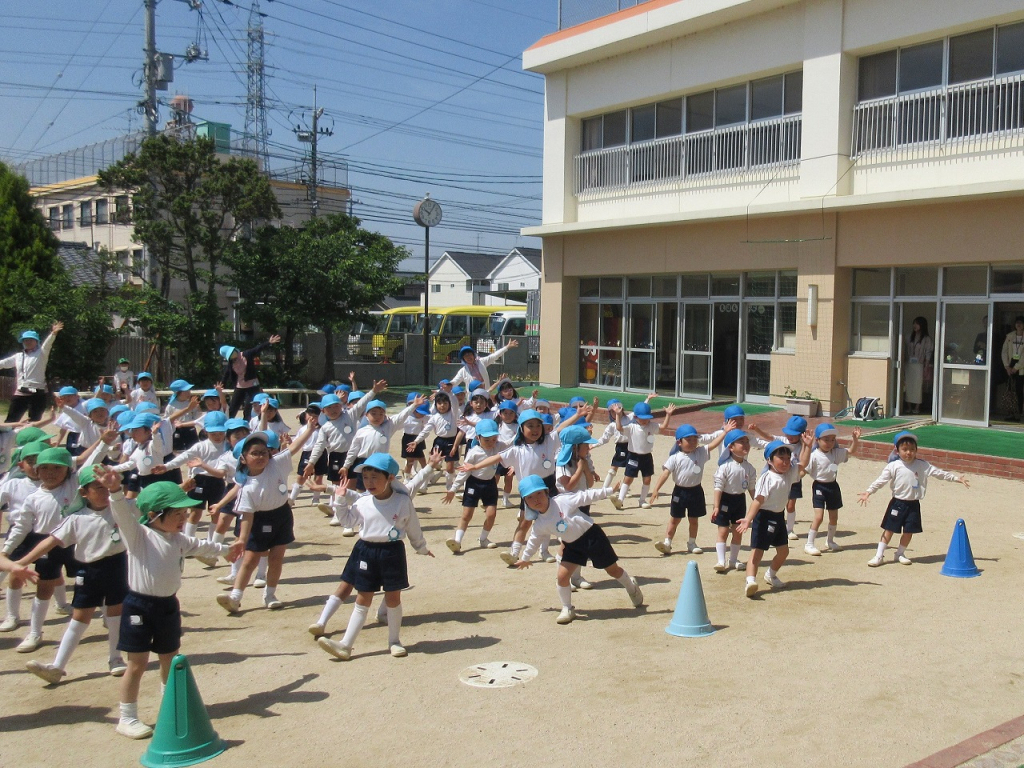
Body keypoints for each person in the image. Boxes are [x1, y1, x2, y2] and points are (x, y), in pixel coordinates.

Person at [91, 468, 243, 739]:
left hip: (168, 606)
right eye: (177, 514)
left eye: (185, 514)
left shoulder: (178, 538)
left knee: (169, 660)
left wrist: (227, 550)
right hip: (139, 606)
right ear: (154, 516)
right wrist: (115, 491)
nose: (184, 519)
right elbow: (123, 515)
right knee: (136, 664)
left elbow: (201, 545)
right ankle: (127, 717)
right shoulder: (138, 536)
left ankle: (169, 707)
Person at [17, 465, 128, 683]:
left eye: (108, 487)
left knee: (115, 612)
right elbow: (50, 541)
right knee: (80, 616)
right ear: (84, 492)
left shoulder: (122, 508)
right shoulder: (76, 518)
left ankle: (115, 658)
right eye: (99, 488)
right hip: (88, 570)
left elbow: (151, 504)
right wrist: (22, 563)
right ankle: (57, 666)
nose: (105, 492)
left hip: (117, 565)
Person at [316, 453, 433, 661]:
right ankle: (345, 644)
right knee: (363, 599)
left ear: (389, 478)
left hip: (392, 552)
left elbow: (413, 525)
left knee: (393, 598)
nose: (368, 482)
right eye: (366, 477)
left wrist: (421, 547)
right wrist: (341, 500)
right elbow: (347, 522)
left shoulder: (402, 501)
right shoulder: (363, 501)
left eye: (374, 477)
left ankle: (394, 641)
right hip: (366, 551)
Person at [513, 475, 643, 625]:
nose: (536, 499)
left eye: (539, 494)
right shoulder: (540, 523)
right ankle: (567, 608)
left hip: (592, 537)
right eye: (529, 497)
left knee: (613, 570)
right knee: (562, 577)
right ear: (525, 502)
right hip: (572, 545)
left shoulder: (562, 501)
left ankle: (631, 586)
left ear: (547, 492)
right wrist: (525, 557)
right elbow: (534, 540)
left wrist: (609, 490)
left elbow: (585, 496)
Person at [215, 423, 315, 614]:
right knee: (250, 560)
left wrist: (309, 429)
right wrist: (242, 539)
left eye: (264, 452)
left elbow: (294, 448)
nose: (261, 457)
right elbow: (247, 515)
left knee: (276, 558)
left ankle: (270, 595)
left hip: (282, 515)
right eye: (255, 453)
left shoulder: (276, 464)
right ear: (243, 459)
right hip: (259, 520)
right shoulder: (246, 486)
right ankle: (235, 596)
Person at [857, 431, 970, 566]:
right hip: (897, 504)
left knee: (909, 531)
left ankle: (899, 553)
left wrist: (956, 478)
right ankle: (878, 555)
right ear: (897, 450)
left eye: (912, 449)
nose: (908, 453)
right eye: (904, 449)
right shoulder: (893, 466)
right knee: (889, 529)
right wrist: (868, 492)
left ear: (916, 450)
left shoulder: (922, 465)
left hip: (913, 505)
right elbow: (881, 481)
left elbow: (938, 473)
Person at [735, 434, 813, 598]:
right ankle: (750, 581)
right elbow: (758, 500)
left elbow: (803, 464)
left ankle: (771, 574)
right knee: (757, 553)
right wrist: (748, 519)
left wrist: (807, 445)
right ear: (769, 460)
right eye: (780, 458)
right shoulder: (767, 478)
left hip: (779, 517)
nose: (785, 461)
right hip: (763, 517)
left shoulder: (789, 474)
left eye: (787, 458)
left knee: (784, 552)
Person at [648, 423, 730, 556]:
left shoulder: (700, 453)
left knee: (694, 519)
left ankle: (692, 543)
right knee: (675, 519)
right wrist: (656, 489)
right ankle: (667, 542)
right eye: (689, 440)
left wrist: (724, 432)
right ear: (679, 442)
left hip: (696, 491)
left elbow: (713, 445)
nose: (693, 442)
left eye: (695, 439)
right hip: (679, 492)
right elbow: (665, 473)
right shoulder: (674, 458)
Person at [443, 418, 503, 553]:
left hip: (490, 484)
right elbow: (464, 472)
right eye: (487, 440)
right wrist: (453, 489)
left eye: (494, 439)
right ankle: (457, 541)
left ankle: (483, 539)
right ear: (478, 437)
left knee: (491, 514)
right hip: (474, 484)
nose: (491, 443)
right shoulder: (473, 452)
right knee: (467, 515)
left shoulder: (499, 447)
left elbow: (513, 445)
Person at [804, 424, 860, 556]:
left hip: (833, 486)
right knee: (819, 517)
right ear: (817, 440)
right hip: (819, 486)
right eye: (826, 439)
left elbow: (851, 451)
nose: (829, 443)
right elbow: (803, 471)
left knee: (834, 517)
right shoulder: (814, 455)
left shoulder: (836, 453)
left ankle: (830, 541)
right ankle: (809, 544)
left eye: (832, 439)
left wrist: (855, 440)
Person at [613, 401, 676, 509]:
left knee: (647, 479)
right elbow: (619, 428)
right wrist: (618, 415)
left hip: (647, 456)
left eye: (647, 418)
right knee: (628, 477)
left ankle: (642, 500)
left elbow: (663, 427)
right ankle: (620, 499)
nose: (645, 420)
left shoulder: (651, 426)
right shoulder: (631, 426)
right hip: (633, 456)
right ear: (636, 417)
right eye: (642, 418)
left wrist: (668, 415)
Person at [711, 429, 757, 573]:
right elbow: (718, 487)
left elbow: (751, 488)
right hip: (725, 500)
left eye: (747, 442)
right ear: (731, 447)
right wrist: (716, 506)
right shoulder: (724, 467)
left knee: (738, 532)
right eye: (741, 442)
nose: (745, 445)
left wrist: (758, 504)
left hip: (739, 501)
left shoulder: (749, 468)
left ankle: (733, 559)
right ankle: (720, 560)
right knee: (723, 531)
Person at [0, 322, 64, 422]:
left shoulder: (41, 353)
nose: (28, 342)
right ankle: (6, 437)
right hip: (21, 392)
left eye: (31, 340)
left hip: (38, 392)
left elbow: (47, 344)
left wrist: (53, 333)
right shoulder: (18, 356)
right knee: (11, 420)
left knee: (34, 420)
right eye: (25, 340)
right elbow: (3, 363)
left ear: (36, 341)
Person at [219, 335, 281, 419]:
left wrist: (269, 342)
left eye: (233, 351)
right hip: (240, 386)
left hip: (252, 385)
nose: (234, 354)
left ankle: (246, 427)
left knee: (248, 408)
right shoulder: (231, 363)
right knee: (232, 408)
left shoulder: (246, 354)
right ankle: (228, 426)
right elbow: (226, 374)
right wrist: (221, 385)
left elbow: (257, 349)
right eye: (230, 354)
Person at [450, 341, 519, 392]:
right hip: (473, 399)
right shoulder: (463, 371)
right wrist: (446, 385)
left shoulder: (481, 362)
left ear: (473, 355)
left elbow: (494, 356)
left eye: (469, 354)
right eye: (466, 356)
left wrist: (507, 347)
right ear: (463, 359)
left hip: (486, 394)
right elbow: (455, 381)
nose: (468, 357)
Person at [905, 316, 933, 414]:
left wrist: (926, 365)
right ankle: (908, 406)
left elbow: (928, 352)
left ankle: (917, 407)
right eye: (914, 323)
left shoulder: (926, 339)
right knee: (908, 385)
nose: (915, 326)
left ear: (922, 325)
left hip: (919, 365)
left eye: (917, 324)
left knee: (918, 386)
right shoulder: (909, 337)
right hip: (909, 364)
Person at [1001, 316, 1024, 421]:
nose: (1018, 325)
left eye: (1021, 323)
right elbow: (1004, 351)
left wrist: (1017, 367)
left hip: (1021, 367)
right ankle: (1010, 413)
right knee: (1010, 390)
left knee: (1019, 390)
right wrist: (1007, 366)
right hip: (1010, 364)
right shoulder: (1010, 336)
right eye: (1017, 323)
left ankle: (1019, 413)